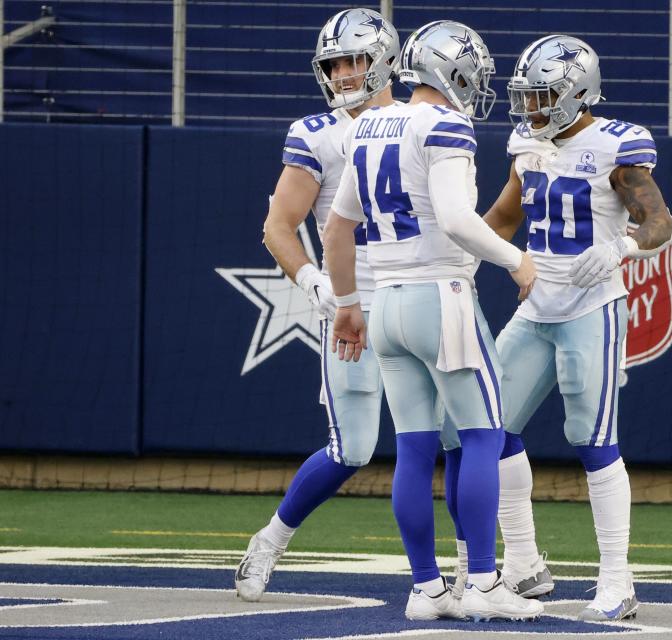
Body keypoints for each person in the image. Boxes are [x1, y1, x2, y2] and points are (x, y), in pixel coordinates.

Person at [322, 21, 543, 622]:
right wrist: (517, 260)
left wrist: (347, 304)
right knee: (482, 436)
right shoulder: (446, 123)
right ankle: (482, 581)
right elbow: (455, 218)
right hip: (441, 296)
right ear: (453, 72)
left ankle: (425, 588)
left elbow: (338, 227)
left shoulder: (365, 125)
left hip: (385, 301)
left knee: (415, 449)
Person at [452, 34, 672, 621]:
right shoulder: (526, 140)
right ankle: (525, 563)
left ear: (577, 92)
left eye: (543, 95)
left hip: (590, 309)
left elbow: (659, 221)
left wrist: (625, 244)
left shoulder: (617, 145)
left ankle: (617, 579)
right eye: (526, 96)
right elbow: (503, 214)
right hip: (535, 308)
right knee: (489, 425)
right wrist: (461, 258)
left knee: (593, 441)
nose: (531, 108)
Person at [234, 8, 402, 603]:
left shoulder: (425, 121)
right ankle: (271, 540)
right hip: (354, 305)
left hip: (422, 299)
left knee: (460, 436)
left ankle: (482, 569)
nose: (342, 73)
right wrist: (318, 287)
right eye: (333, 63)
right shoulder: (316, 132)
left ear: (383, 60)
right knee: (353, 448)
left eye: (354, 59)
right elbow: (279, 226)